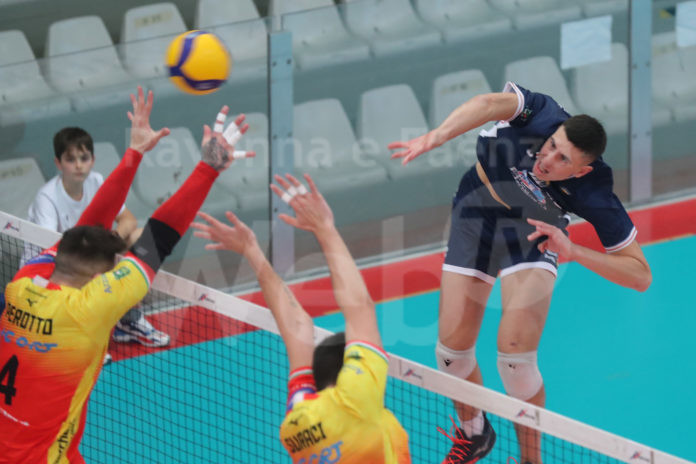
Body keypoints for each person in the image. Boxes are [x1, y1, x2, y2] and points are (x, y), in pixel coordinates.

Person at [388, 82, 652, 464]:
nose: (548, 159)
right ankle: (474, 434)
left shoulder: (594, 191)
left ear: (581, 171)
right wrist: (437, 135)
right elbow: (489, 103)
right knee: (450, 355)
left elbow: (640, 275)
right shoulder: (542, 114)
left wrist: (574, 251)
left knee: (515, 360)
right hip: (476, 213)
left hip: (532, 233)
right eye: (552, 145)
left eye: (563, 159)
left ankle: (531, 460)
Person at [0, 86, 253, 464]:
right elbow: (158, 238)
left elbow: (86, 232)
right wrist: (208, 167)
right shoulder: (88, 308)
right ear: (96, 279)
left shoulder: (23, 283)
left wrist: (134, 153)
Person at [192, 173, 411, 463]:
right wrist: (325, 229)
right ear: (349, 374)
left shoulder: (297, 422)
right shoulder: (358, 400)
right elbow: (360, 308)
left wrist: (251, 251)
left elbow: (296, 326)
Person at [26, 126, 168, 353]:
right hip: (46, 270)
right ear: (58, 163)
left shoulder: (97, 181)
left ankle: (128, 320)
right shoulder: (47, 198)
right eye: (70, 159)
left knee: (142, 237)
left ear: (93, 160)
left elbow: (128, 220)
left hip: (84, 257)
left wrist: (107, 244)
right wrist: (96, 251)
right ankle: (82, 337)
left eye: (84, 158)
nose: (78, 165)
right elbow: (51, 250)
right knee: (87, 266)